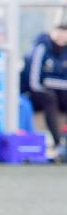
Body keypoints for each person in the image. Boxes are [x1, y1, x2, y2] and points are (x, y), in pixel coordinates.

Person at [26, 24, 67, 152]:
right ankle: (57, 142)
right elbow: (34, 80)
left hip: (63, 91)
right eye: (59, 33)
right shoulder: (42, 48)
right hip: (40, 92)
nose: (61, 37)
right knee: (50, 99)